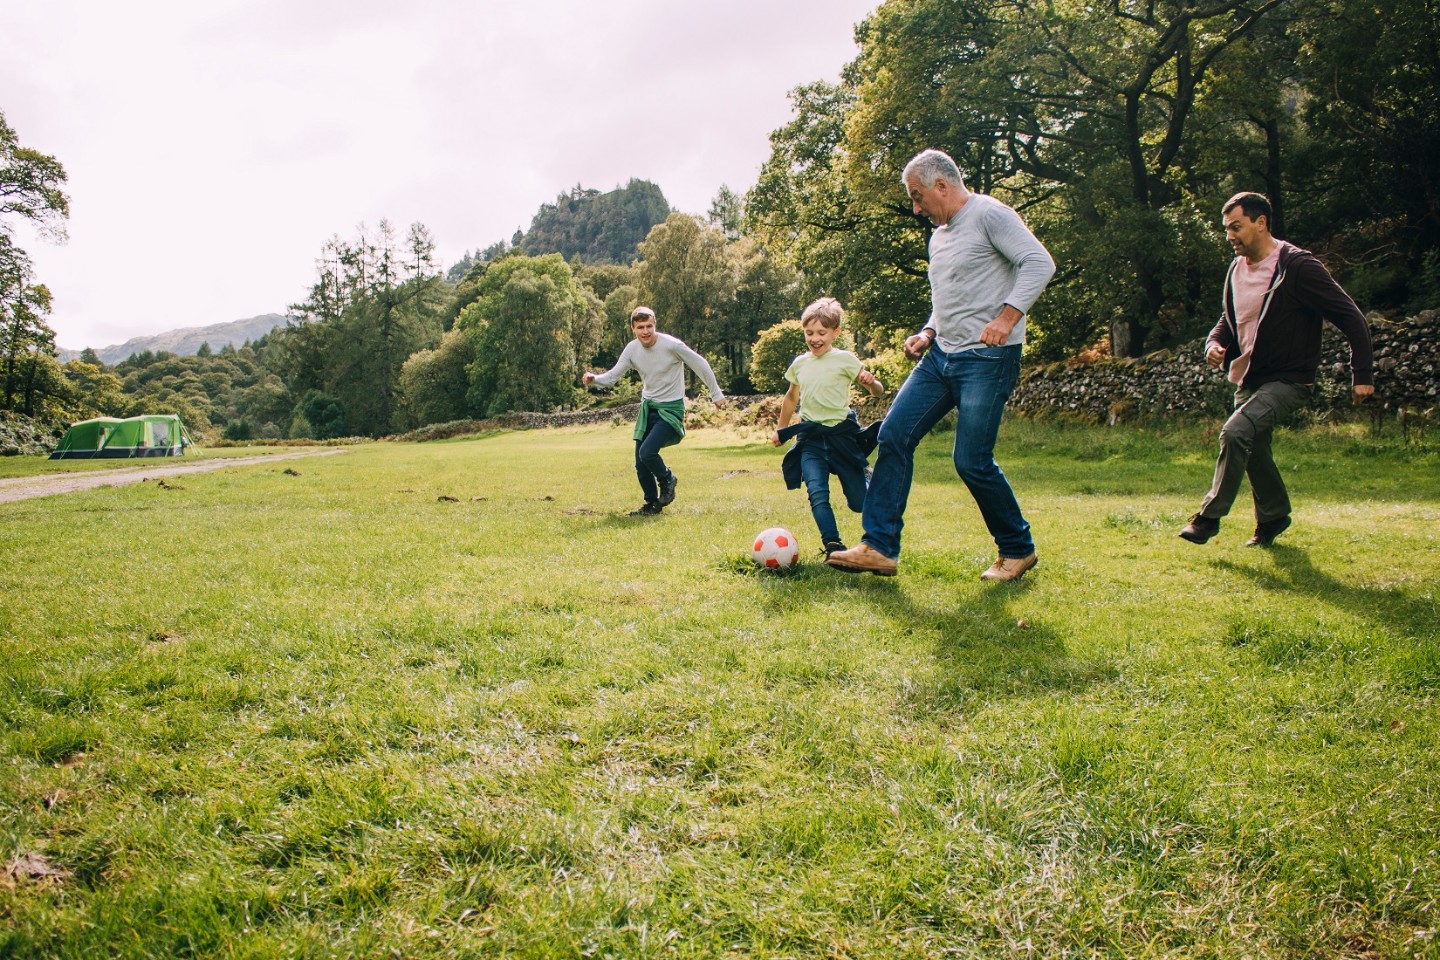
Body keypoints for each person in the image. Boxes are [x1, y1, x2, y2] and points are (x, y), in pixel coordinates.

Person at [827, 148, 1055, 581]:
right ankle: (879, 547)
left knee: (971, 460)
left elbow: (1039, 262)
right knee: (893, 435)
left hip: (987, 360)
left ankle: (1017, 549)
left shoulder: (990, 214)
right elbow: (947, 297)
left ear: (942, 186)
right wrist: (928, 332)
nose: (916, 207)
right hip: (941, 357)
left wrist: (1007, 318)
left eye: (918, 196)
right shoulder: (939, 236)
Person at [1179, 192, 1374, 547]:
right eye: (1226, 229)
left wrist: (1362, 374)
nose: (1229, 237)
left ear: (1261, 222)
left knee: (1236, 433)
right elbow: (1229, 317)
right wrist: (1214, 343)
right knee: (1253, 448)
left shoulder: (1297, 267)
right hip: (1248, 377)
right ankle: (1273, 517)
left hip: (1289, 379)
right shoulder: (1237, 268)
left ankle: (1207, 519)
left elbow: (1351, 316)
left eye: (1236, 227)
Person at [583, 306, 726, 516]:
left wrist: (716, 393)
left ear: (654, 325)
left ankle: (668, 479)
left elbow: (700, 364)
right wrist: (594, 379)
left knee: (647, 452)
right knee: (640, 464)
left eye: (649, 326)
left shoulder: (672, 345)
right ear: (633, 328)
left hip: (671, 409)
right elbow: (613, 376)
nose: (645, 331)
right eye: (640, 327)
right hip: (648, 408)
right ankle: (651, 505)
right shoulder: (632, 350)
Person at [770, 297, 885, 557]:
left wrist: (870, 382)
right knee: (817, 493)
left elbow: (878, 392)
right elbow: (791, 397)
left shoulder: (845, 360)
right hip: (810, 439)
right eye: (809, 333)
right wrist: (781, 428)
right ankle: (833, 545)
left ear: (835, 332)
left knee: (859, 504)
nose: (815, 338)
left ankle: (867, 477)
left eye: (822, 332)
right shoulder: (800, 363)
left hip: (841, 437)